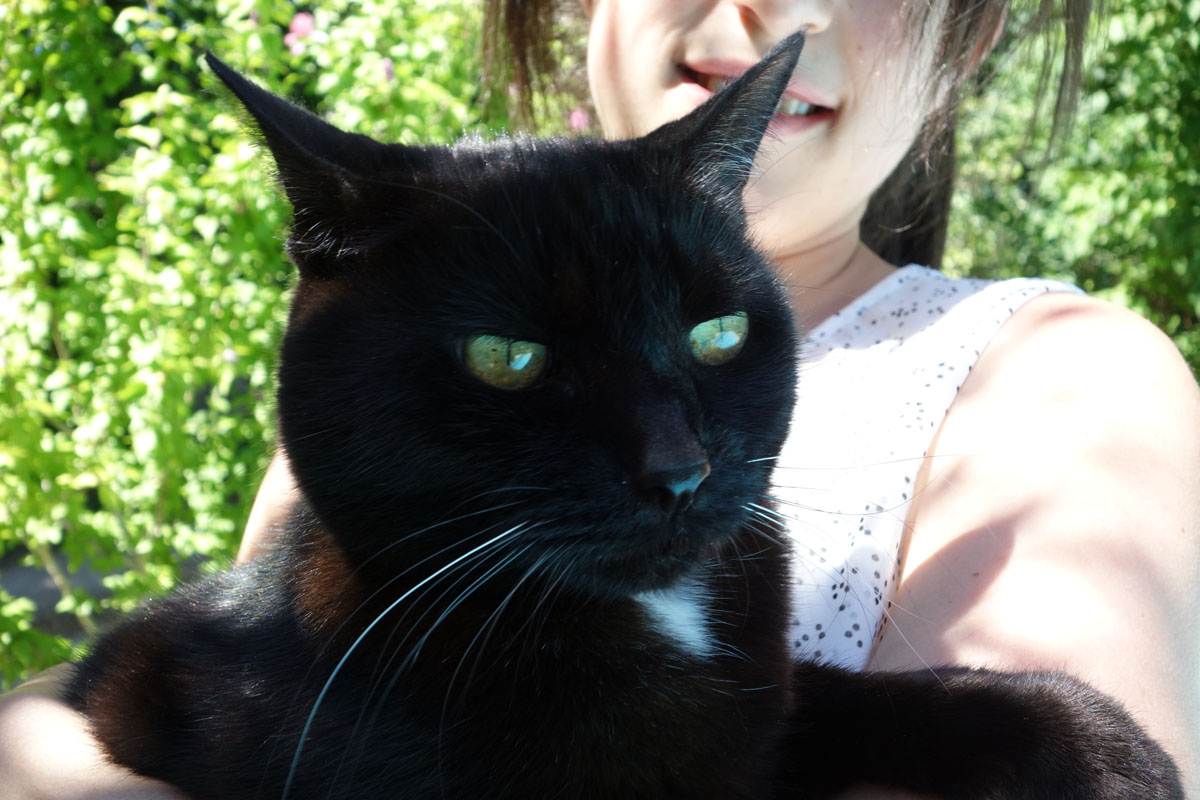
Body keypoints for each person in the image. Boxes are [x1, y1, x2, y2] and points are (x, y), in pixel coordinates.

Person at [2, 1, 1197, 797]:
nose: (762, 7)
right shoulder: (404, 333)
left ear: (971, 29)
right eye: (514, 363)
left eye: (717, 338)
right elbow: (154, 683)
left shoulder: (1061, 383)